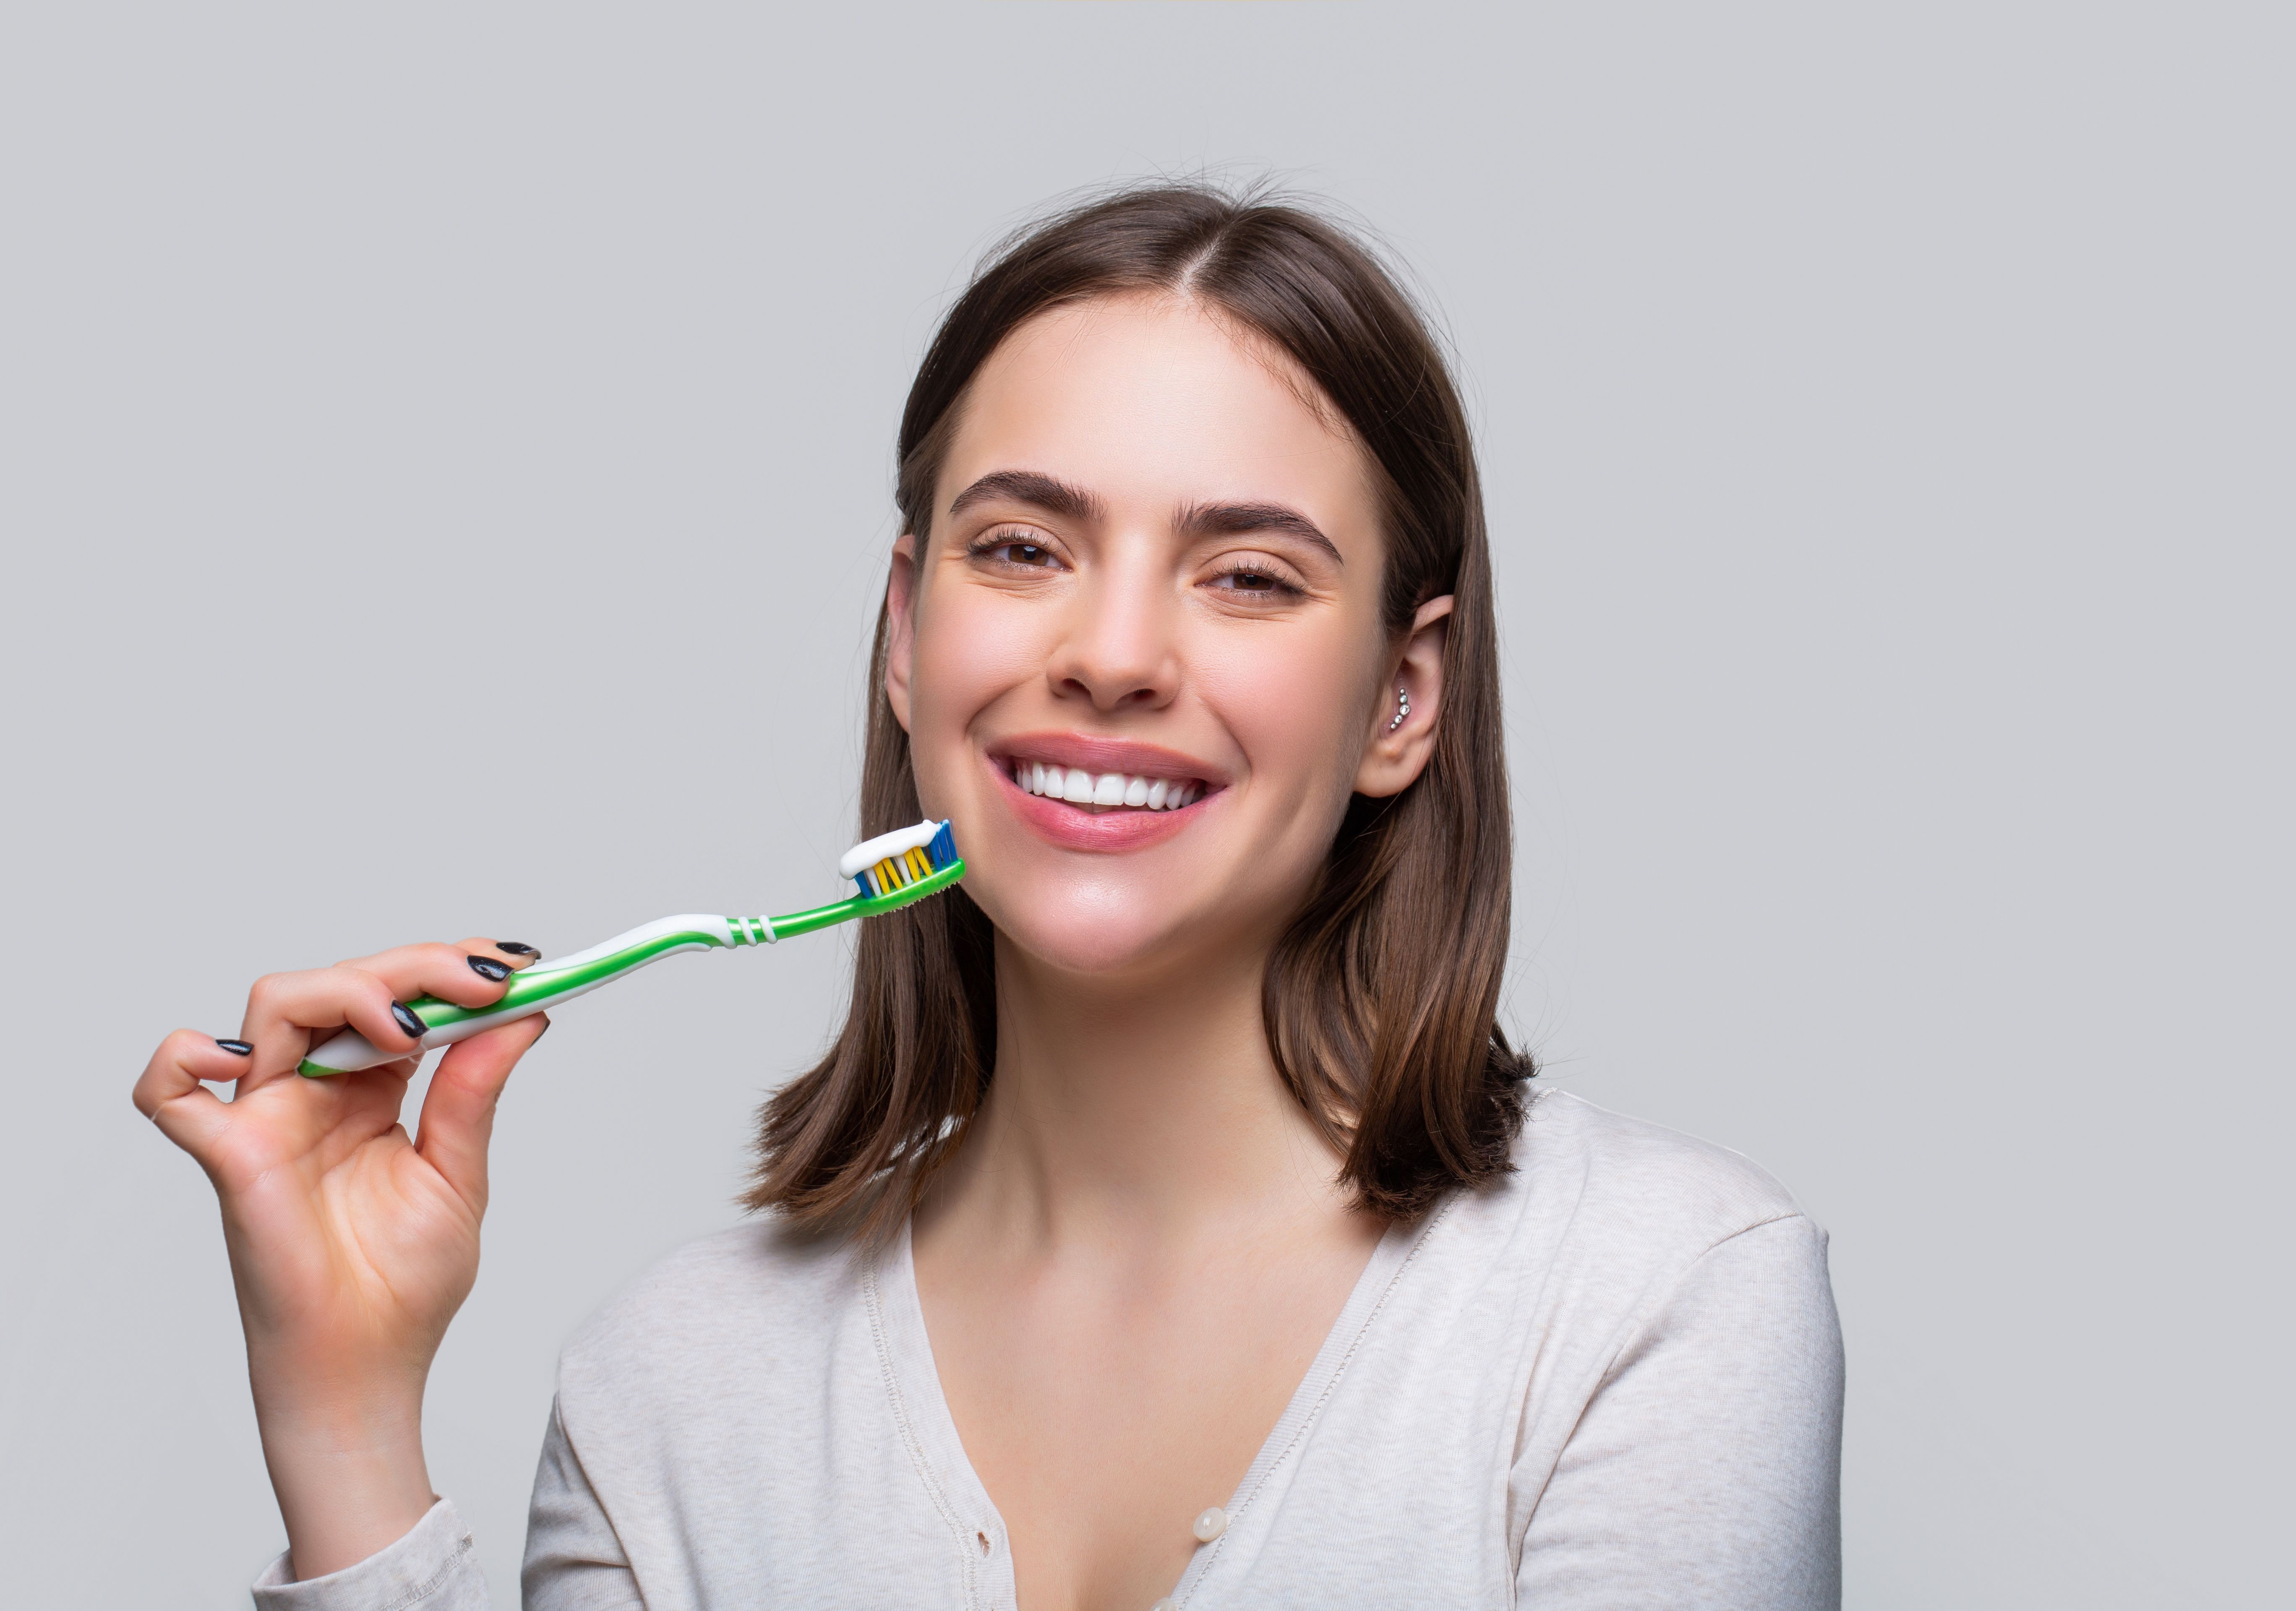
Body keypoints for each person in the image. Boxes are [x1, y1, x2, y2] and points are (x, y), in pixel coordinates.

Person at [136, 183, 1843, 1611]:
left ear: (1403, 701)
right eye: (1023, 549)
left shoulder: (1653, 1301)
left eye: (1248, 576)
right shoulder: (675, 1393)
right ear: (905, 636)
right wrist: (345, 1419)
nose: (1107, 655)